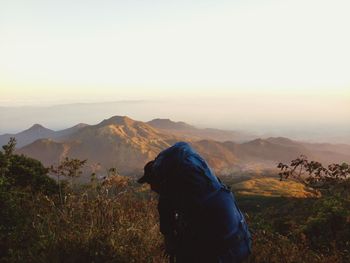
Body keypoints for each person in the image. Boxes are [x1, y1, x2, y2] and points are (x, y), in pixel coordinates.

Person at [138, 142, 251, 263]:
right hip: (241, 239)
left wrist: (171, 246)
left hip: (219, 250)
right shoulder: (207, 184)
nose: (151, 188)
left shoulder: (168, 192)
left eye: (150, 183)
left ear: (157, 178)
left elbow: (169, 236)